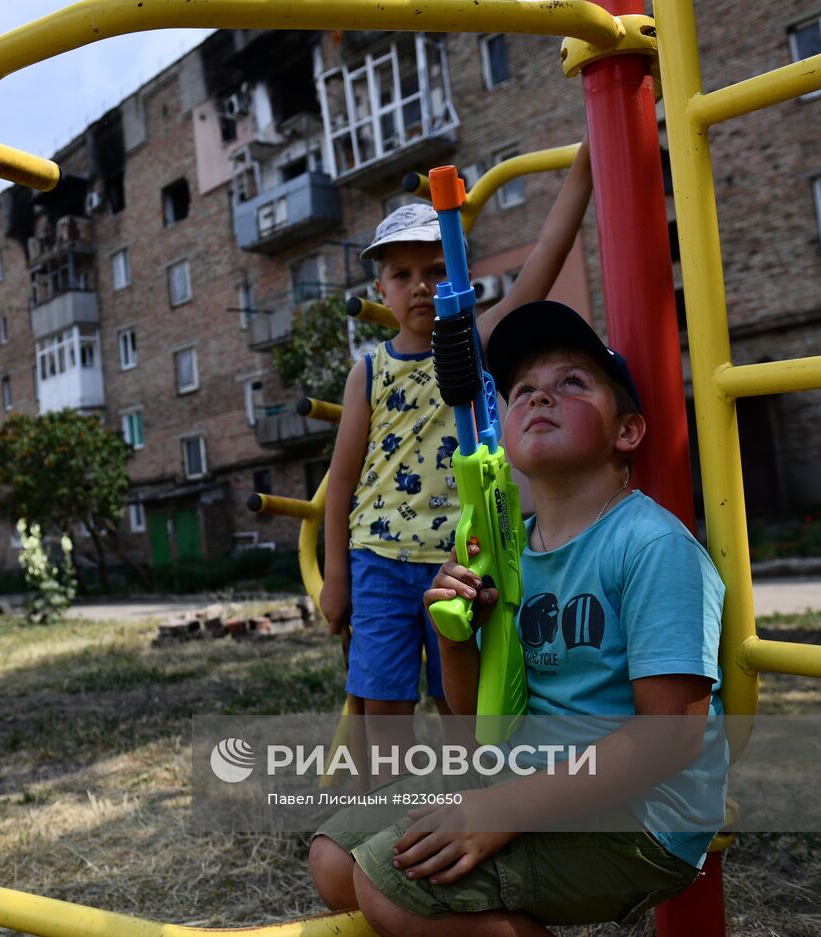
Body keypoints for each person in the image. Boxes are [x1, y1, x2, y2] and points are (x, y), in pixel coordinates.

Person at [310, 300, 727, 935]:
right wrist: (455, 636)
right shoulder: (509, 550)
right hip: (525, 772)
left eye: (572, 382)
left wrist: (502, 809)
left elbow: (669, 740)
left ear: (628, 431)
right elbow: (482, 720)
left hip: (641, 816)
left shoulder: (651, 546)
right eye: (523, 389)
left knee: (392, 890)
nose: (539, 396)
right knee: (334, 862)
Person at [320, 140, 593, 766]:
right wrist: (337, 576)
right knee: (382, 703)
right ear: (381, 288)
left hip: (461, 561)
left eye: (437, 269)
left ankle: (466, 801)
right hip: (379, 559)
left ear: (462, 276)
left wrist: (584, 168)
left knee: (462, 702)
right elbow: (341, 480)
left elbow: (544, 262)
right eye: (402, 275)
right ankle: (390, 808)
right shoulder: (368, 372)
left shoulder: (479, 342)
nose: (421, 286)